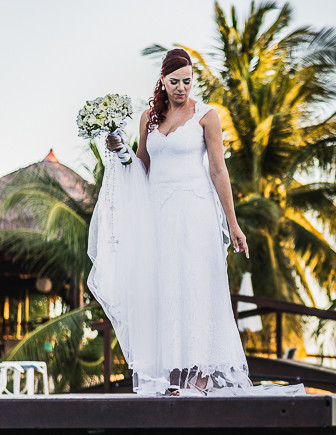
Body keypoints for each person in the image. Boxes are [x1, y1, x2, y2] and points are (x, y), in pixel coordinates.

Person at [89, 49, 300, 397]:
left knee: (195, 289)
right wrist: (123, 152)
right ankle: (173, 376)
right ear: (163, 81)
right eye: (175, 82)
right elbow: (141, 168)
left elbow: (218, 170)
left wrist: (233, 225)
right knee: (165, 290)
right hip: (158, 214)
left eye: (188, 81)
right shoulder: (148, 119)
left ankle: (199, 377)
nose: (182, 88)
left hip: (195, 214)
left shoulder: (207, 117)